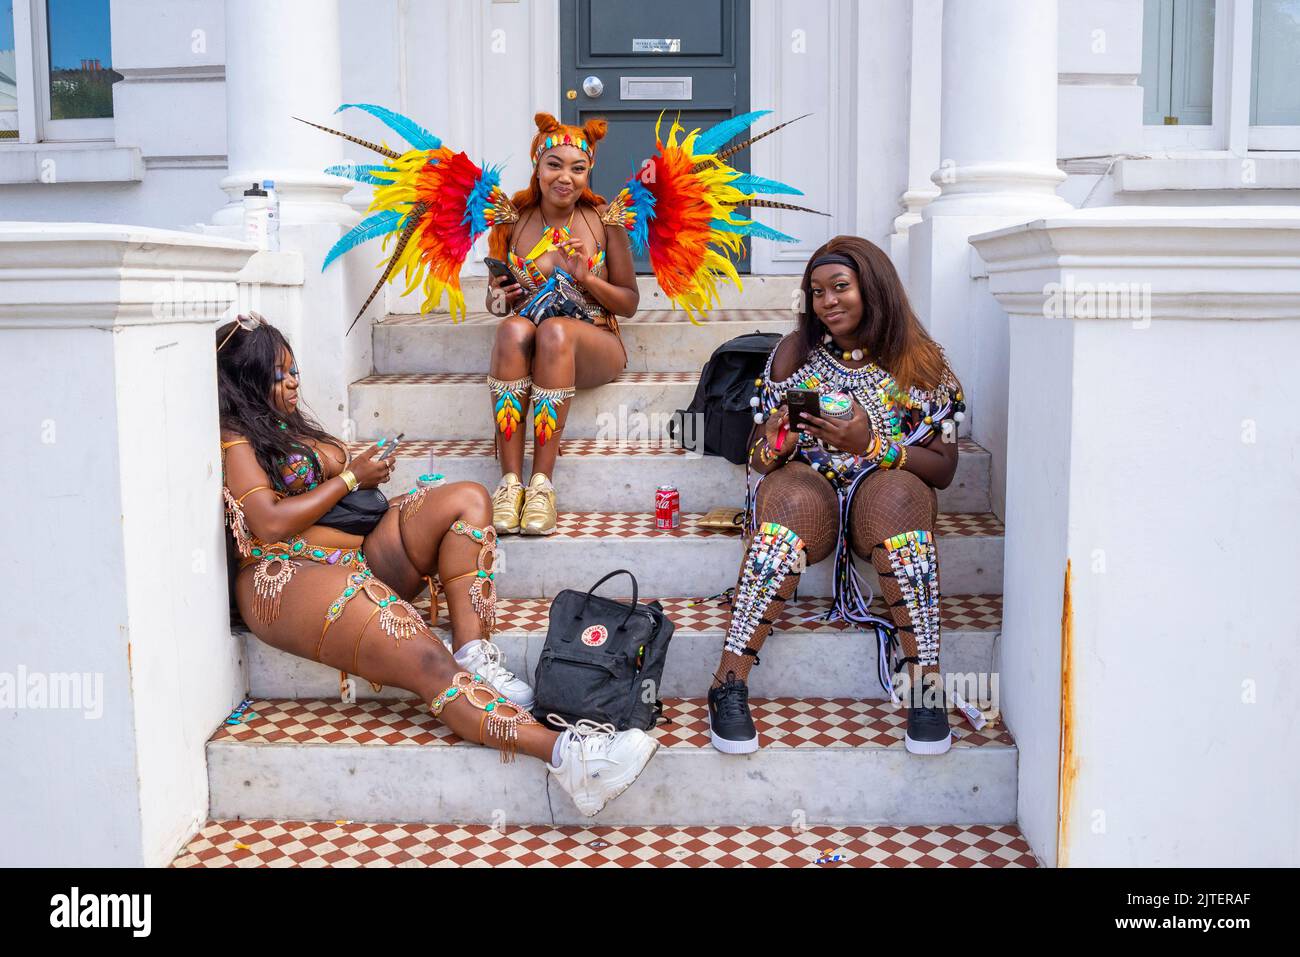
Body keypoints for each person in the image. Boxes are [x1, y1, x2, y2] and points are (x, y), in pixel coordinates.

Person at [216, 313, 658, 815]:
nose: (294, 381)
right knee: (427, 659)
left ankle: (473, 654)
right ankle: (571, 759)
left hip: (357, 553)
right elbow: (269, 523)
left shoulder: (277, 423)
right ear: (245, 380)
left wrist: (362, 475)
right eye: (278, 375)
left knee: (466, 499)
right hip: (288, 577)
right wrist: (350, 478)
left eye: (293, 369)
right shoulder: (236, 439)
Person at [705, 236, 967, 756]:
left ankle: (927, 686)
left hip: (883, 485)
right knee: (782, 519)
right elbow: (757, 461)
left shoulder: (921, 362)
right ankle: (728, 683)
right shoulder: (792, 354)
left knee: (901, 505)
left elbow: (944, 468)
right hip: (811, 489)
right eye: (817, 292)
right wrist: (776, 443)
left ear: (873, 288)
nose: (827, 302)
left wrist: (871, 445)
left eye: (840, 287)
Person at [483, 113, 639, 536]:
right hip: (530, 341)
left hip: (594, 341)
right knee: (511, 329)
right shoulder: (512, 219)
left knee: (554, 331)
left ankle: (542, 485)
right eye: (554, 164)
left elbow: (629, 302)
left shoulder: (605, 219)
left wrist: (586, 278)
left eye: (578, 167)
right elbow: (495, 304)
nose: (565, 177)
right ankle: (510, 483)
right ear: (537, 166)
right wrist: (504, 296)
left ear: (589, 172)